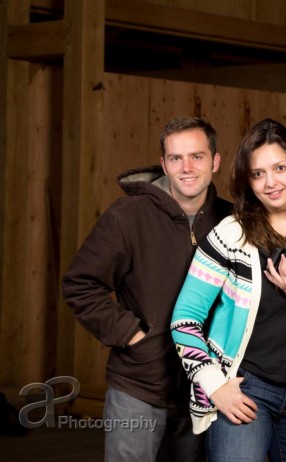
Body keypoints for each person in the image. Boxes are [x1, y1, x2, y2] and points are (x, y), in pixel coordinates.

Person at [171, 118, 286, 462]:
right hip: (245, 387)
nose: (271, 182)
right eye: (258, 174)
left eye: (279, 167)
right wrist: (215, 385)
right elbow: (184, 318)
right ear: (247, 181)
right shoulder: (230, 234)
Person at [62, 116, 233, 462]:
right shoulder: (127, 216)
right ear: (163, 164)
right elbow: (80, 284)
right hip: (139, 382)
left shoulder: (233, 221)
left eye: (197, 157)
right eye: (175, 158)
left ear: (215, 161)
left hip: (205, 387)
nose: (186, 167)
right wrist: (132, 335)